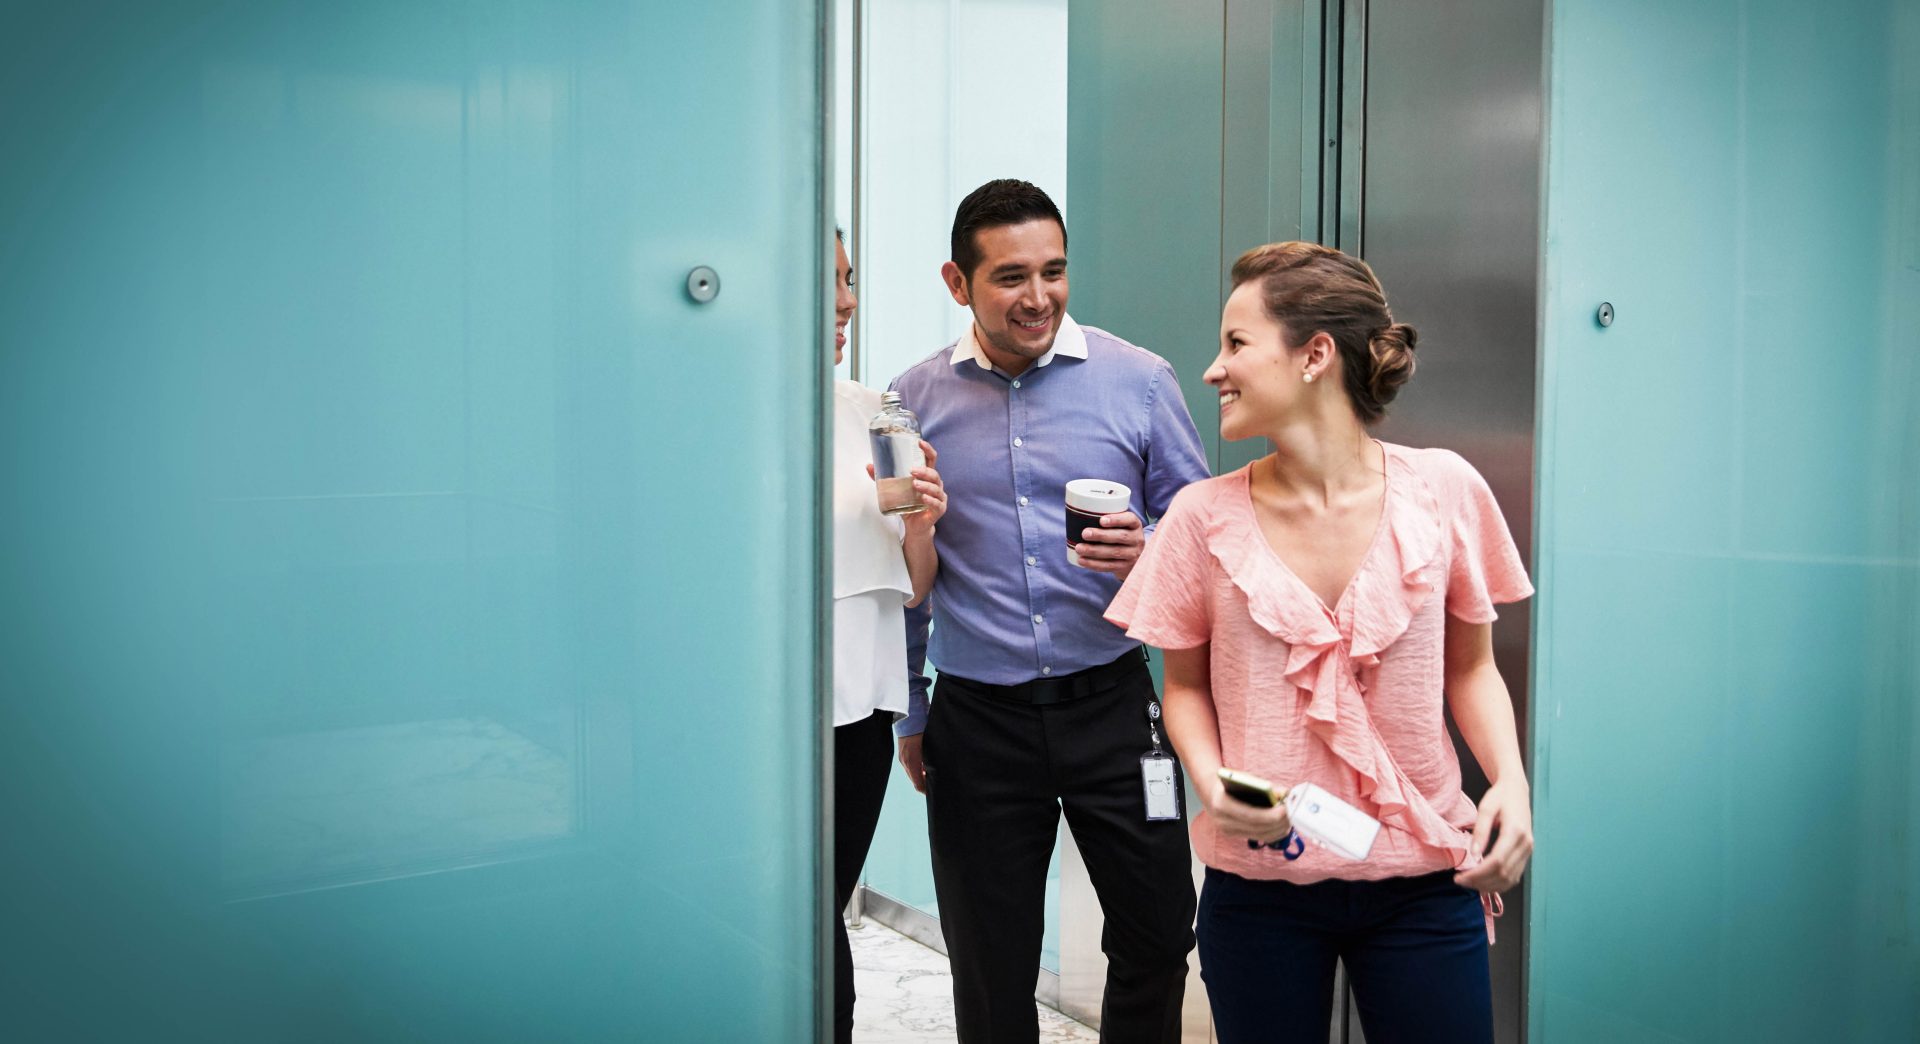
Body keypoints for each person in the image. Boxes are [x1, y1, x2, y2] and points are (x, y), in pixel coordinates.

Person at [1104, 241, 1535, 1043]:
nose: (1213, 370)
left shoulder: (1446, 489)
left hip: (1428, 877)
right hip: (1262, 885)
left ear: (1315, 355)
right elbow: (1185, 686)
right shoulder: (1201, 517)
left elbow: (1471, 670)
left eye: (1236, 344)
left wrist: (1510, 780)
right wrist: (1216, 784)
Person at [887, 179, 1212, 1044]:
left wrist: (1150, 546)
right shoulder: (911, 399)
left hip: (1113, 705)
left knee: (1156, 932)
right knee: (989, 960)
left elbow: (1205, 525)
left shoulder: (1138, 380)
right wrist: (911, 713)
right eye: (1010, 277)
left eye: (1054, 271)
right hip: (977, 721)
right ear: (959, 283)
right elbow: (903, 570)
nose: (1038, 297)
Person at [828, 231, 946, 1044]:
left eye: (850, 280)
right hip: (747, 712)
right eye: (828, 282)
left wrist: (923, 522)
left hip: (858, 711)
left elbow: (919, 582)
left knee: (819, 903)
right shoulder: (704, 419)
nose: (847, 301)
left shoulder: (874, 412)